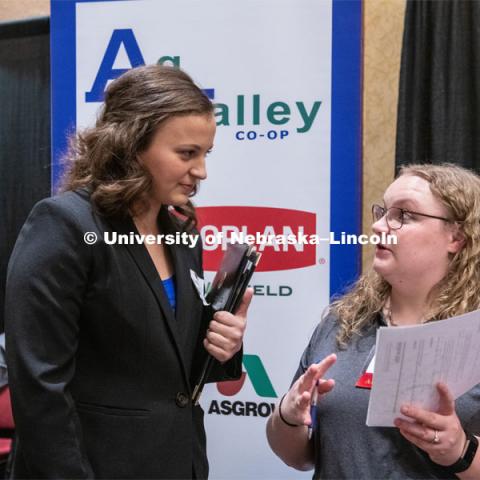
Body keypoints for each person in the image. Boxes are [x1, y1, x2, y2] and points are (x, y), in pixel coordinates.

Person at [5, 64, 253, 479]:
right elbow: (39, 387)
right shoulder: (65, 225)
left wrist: (224, 348)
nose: (201, 172)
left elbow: (169, 366)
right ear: (133, 145)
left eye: (205, 154)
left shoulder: (183, 235)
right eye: (187, 153)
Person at [266, 163, 480, 479]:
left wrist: (460, 451)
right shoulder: (343, 322)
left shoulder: (471, 333)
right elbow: (299, 457)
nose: (380, 226)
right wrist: (287, 415)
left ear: (457, 237)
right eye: (382, 211)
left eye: (404, 215)